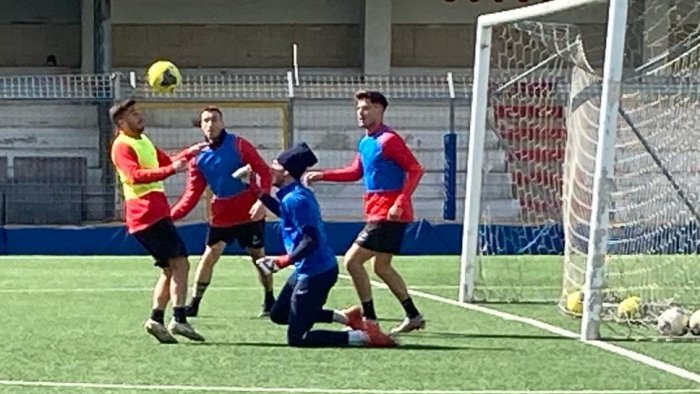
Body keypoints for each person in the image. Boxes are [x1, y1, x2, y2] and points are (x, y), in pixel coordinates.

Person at [236, 143, 397, 347]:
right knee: (279, 314)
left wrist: (282, 261)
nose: (270, 168)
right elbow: (284, 212)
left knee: (298, 338)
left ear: (286, 171)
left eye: (275, 164)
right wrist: (256, 190)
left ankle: (364, 337)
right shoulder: (291, 195)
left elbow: (311, 241)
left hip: (316, 274)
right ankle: (347, 318)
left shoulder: (296, 199)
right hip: (308, 269)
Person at [303, 90, 426, 334]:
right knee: (381, 267)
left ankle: (370, 320)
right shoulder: (366, 141)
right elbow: (355, 171)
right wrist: (322, 175)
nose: (361, 113)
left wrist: (400, 201)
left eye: (366, 108)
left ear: (380, 110)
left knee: (352, 261)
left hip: (388, 214)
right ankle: (413, 315)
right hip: (377, 212)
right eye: (358, 109)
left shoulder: (389, 140)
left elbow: (415, 169)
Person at [109, 99, 206, 343]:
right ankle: (179, 319)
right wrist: (172, 169)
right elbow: (134, 176)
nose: (139, 116)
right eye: (133, 114)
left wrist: (190, 153)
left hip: (153, 213)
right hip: (146, 213)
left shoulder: (143, 141)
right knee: (181, 263)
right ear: (121, 122)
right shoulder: (121, 145)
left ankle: (156, 319)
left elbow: (166, 161)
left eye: (138, 112)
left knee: (169, 268)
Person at [170, 106, 275, 318]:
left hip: (248, 211)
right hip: (222, 214)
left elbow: (264, 172)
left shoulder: (239, 144)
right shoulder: (198, 157)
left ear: (222, 122)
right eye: (206, 121)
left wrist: (263, 200)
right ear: (201, 126)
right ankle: (194, 302)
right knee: (209, 255)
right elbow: (191, 194)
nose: (210, 124)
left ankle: (269, 298)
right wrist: (168, 217)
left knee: (258, 257)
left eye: (214, 120)